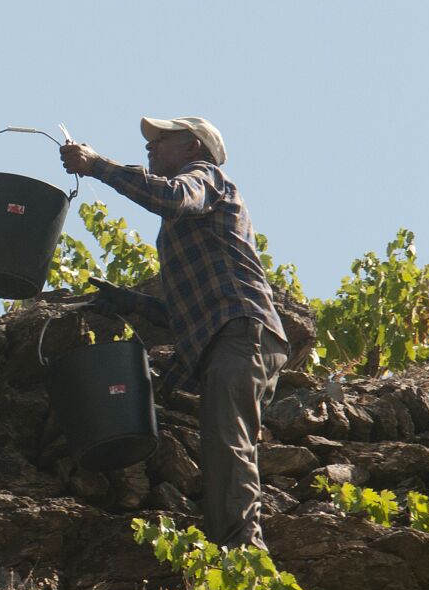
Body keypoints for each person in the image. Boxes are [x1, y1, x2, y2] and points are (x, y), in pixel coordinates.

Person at [60, 117, 288, 550]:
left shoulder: (205, 179)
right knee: (223, 443)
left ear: (193, 148)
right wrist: (130, 302)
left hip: (241, 333)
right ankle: (230, 547)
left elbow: (171, 197)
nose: (151, 146)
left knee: (228, 443)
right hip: (236, 334)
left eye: (162, 139)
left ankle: (244, 552)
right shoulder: (192, 217)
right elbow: (187, 314)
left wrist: (97, 165)